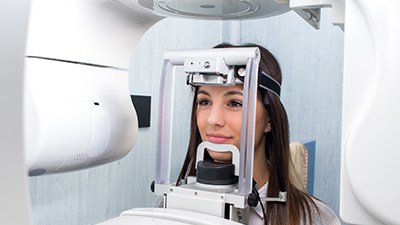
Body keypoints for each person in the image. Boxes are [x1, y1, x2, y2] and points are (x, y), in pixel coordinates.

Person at [175, 43, 340, 225]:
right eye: (205, 101)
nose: (213, 119)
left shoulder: (314, 219)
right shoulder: (169, 206)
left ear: (269, 120)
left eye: (235, 103)